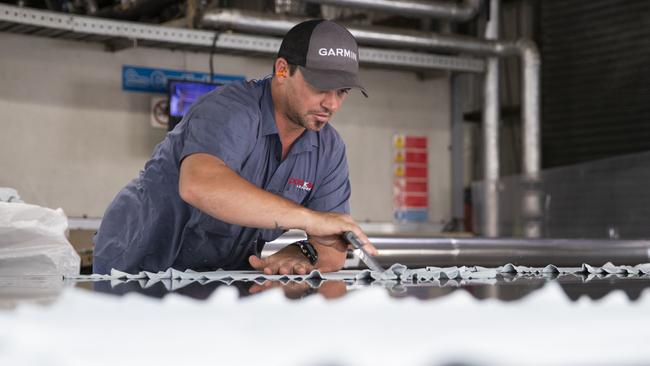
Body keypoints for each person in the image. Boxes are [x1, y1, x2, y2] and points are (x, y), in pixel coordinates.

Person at [93, 19, 376, 275]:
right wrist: (309, 220)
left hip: (221, 274)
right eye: (321, 86)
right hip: (138, 264)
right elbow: (200, 184)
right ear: (282, 70)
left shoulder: (328, 149)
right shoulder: (231, 110)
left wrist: (301, 251)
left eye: (342, 91)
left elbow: (332, 252)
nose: (332, 104)